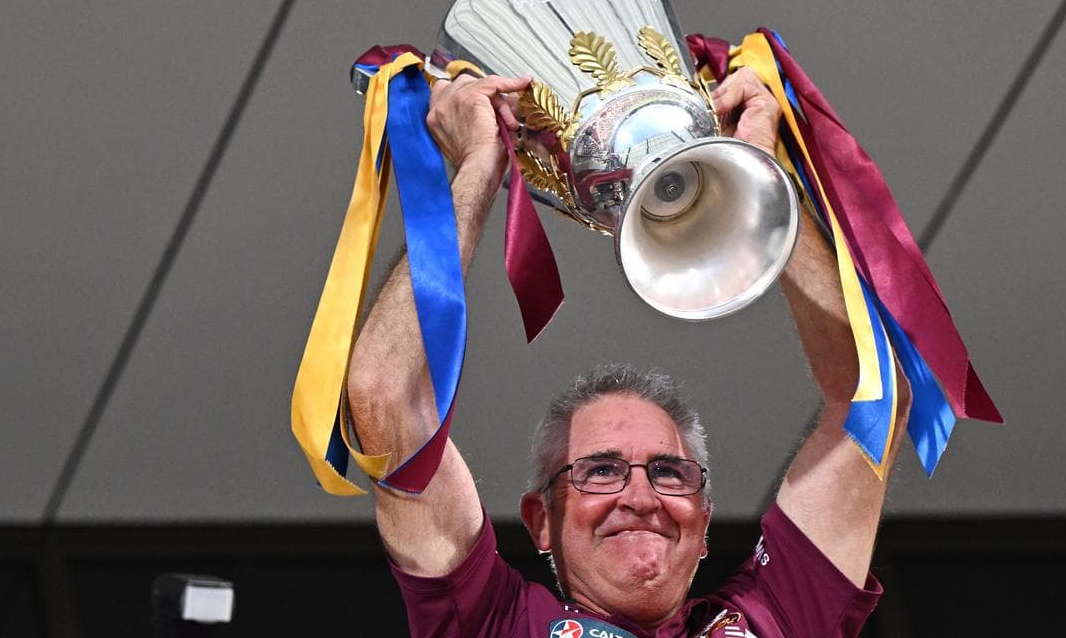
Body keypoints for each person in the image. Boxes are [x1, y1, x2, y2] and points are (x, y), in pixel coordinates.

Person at [346, 67, 909, 637]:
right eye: (600, 471)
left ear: (704, 519)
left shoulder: (777, 618)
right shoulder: (493, 622)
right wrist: (477, 170)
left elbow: (870, 397)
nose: (641, 497)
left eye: (669, 472)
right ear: (541, 521)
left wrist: (758, 172)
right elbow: (385, 394)